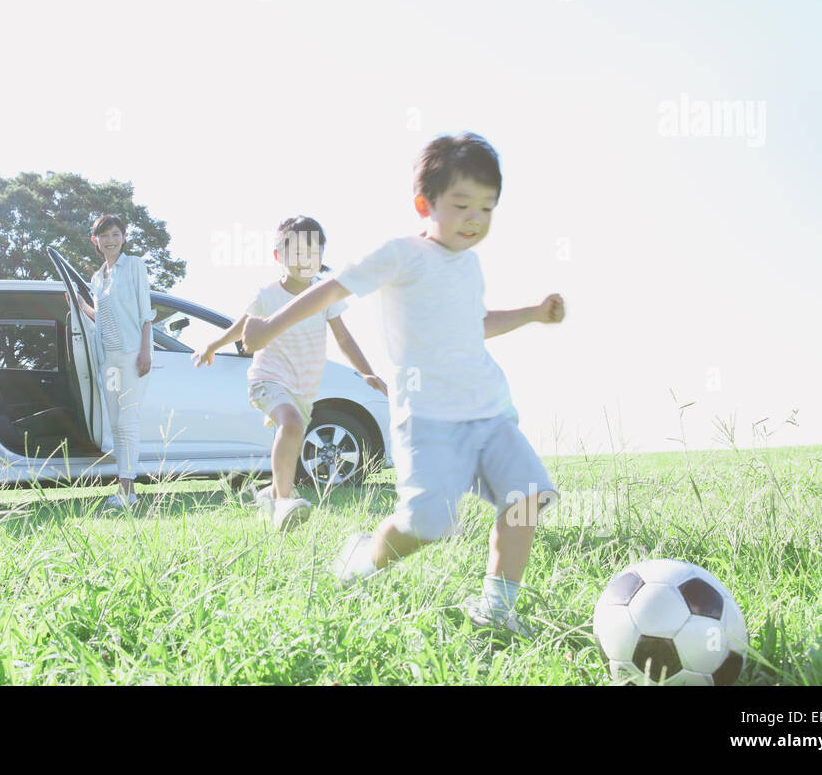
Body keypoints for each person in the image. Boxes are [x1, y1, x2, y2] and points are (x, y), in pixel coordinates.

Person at [241, 134, 565, 634]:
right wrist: (267, 328)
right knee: (427, 525)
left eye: (487, 207)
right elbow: (329, 289)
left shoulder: (470, 264)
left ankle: (497, 610)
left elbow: (474, 324)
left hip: (489, 410)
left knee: (524, 496)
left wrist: (533, 314)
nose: (475, 218)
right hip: (430, 418)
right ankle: (364, 557)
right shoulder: (399, 255)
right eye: (461, 205)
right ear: (425, 204)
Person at [193, 216, 386, 531]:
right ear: (278, 256)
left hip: (304, 387)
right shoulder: (267, 295)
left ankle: (270, 493)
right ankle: (283, 502)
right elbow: (242, 327)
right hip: (268, 378)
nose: (304, 259)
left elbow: (345, 338)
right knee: (293, 424)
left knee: (295, 434)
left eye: (312, 251)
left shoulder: (325, 295)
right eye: (295, 251)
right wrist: (213, 345)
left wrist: (367, 373)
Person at [77, 215, 155, 510]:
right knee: (115, 424)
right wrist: (79, 305)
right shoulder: (98, 278)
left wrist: (145, 351)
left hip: (132, 354)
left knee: (127, 421)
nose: (111, 240)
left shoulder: (134, 266)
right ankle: (125, 490)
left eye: (115, 234)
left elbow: (145, 313)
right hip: (108, 360)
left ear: (124, 237)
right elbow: (102, 316)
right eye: (104, 235)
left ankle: (127, 489)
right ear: (95, 240)